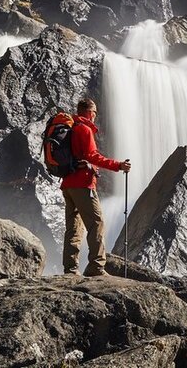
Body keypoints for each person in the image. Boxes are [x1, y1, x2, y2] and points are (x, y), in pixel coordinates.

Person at [60, 97, 131, 276]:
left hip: (68, 184)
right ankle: (96, 266)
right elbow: (93, 156)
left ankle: (70, 268)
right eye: (95, 113)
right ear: (90, 112)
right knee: (96, 223)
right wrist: (118, 165)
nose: (95, 116)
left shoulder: (70, 128)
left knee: (74, 227)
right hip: (83, 183)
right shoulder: (84, 129)